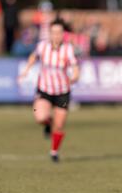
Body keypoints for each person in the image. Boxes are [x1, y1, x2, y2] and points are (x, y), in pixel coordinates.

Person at [18, 19, 80, 162]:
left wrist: (75, 77)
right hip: (44, 89)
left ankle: (54, 152)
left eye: (59, 32)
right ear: (50, 33)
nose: (56, 35)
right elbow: (34, 57)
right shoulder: (42, 46)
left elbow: (75, 68)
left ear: (63, 34)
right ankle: (47, 123)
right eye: (53, 32)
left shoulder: (68, 49)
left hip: (63, 92)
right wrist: (26, 70)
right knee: (39, 117)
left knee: (59, 126)